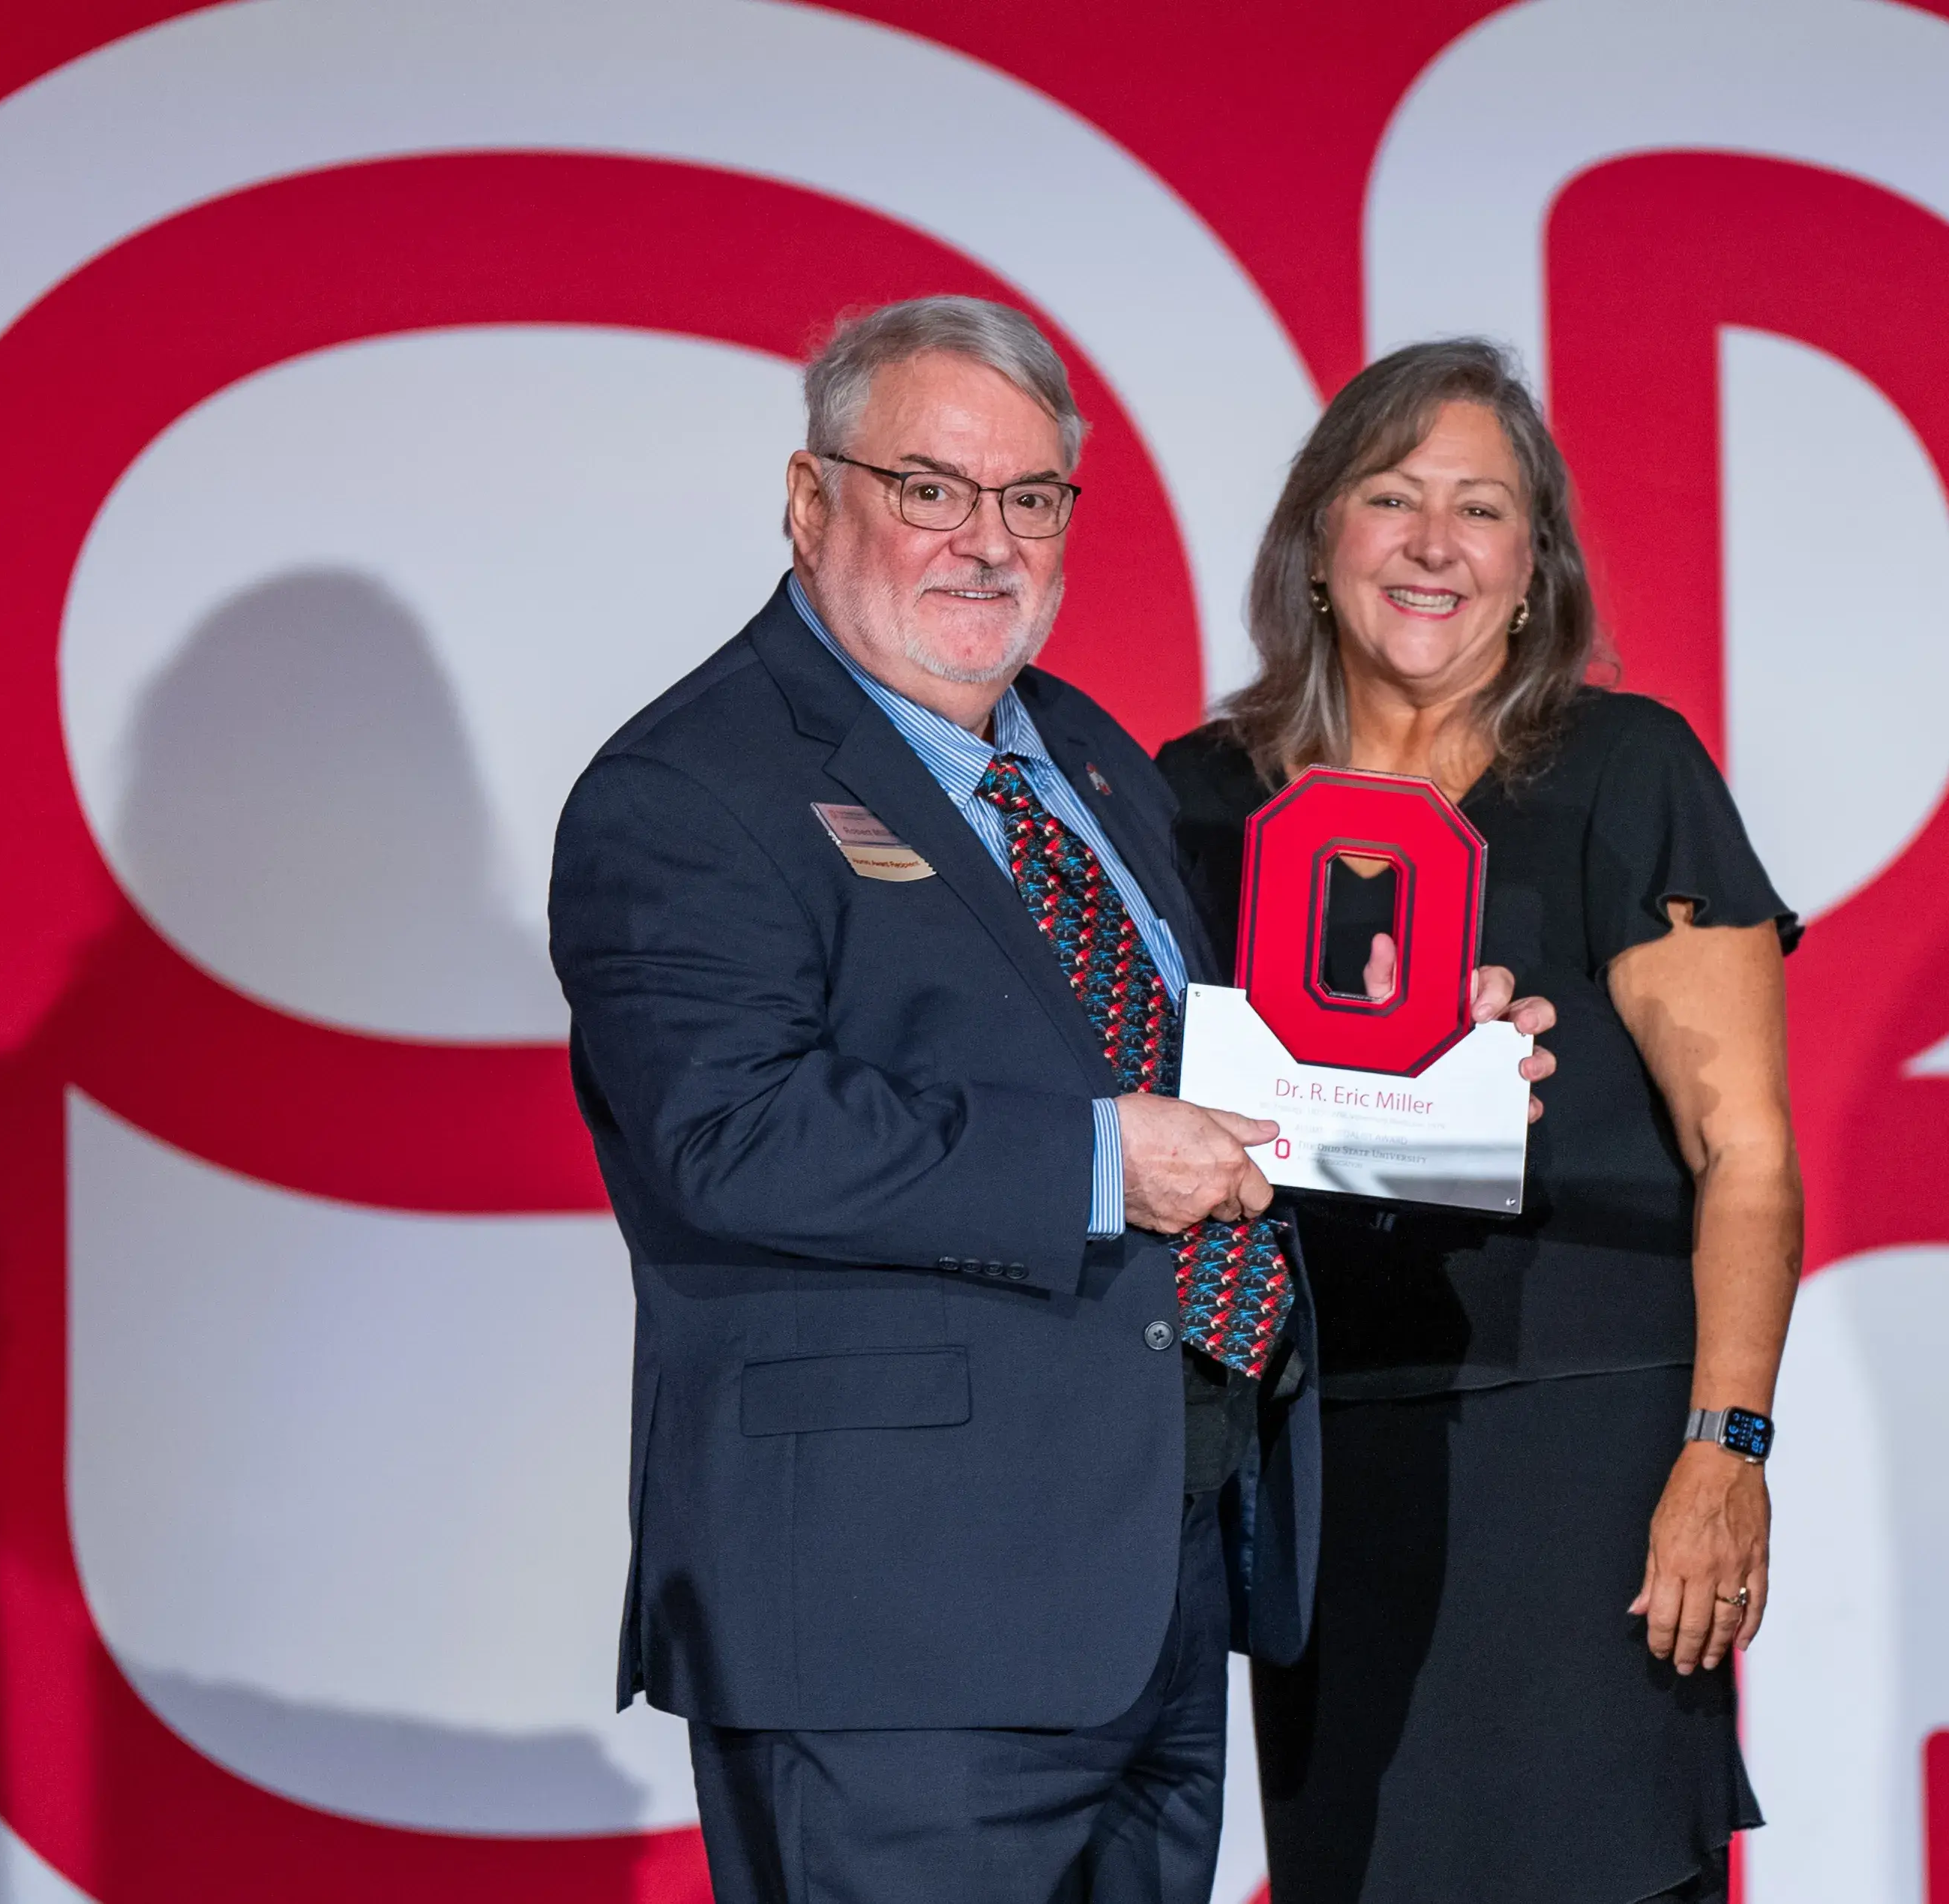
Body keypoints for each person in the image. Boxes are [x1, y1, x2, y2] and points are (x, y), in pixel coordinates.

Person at [547, 297, 1549, 1904]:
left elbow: (1207, 1070)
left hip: (1153, 1583)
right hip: (888, 1627)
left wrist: (1420, 1064)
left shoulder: (1080, 752)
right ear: (812, 502)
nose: (988, 542)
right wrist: (1098, 1162)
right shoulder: (691, 787)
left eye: (1031, 499)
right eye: (930, 488)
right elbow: (725, 1141)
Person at [1158, 338, 1803, 1904]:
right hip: (1316, 1445)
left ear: (1534, 567)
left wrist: (1725, 1448)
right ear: (1318, 541)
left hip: (1582, 1446)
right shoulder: (1190, 798)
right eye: (1391, 498)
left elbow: (1747, 1151)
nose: (1433, 544)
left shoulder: (1622, 770)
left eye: (1481, 508)